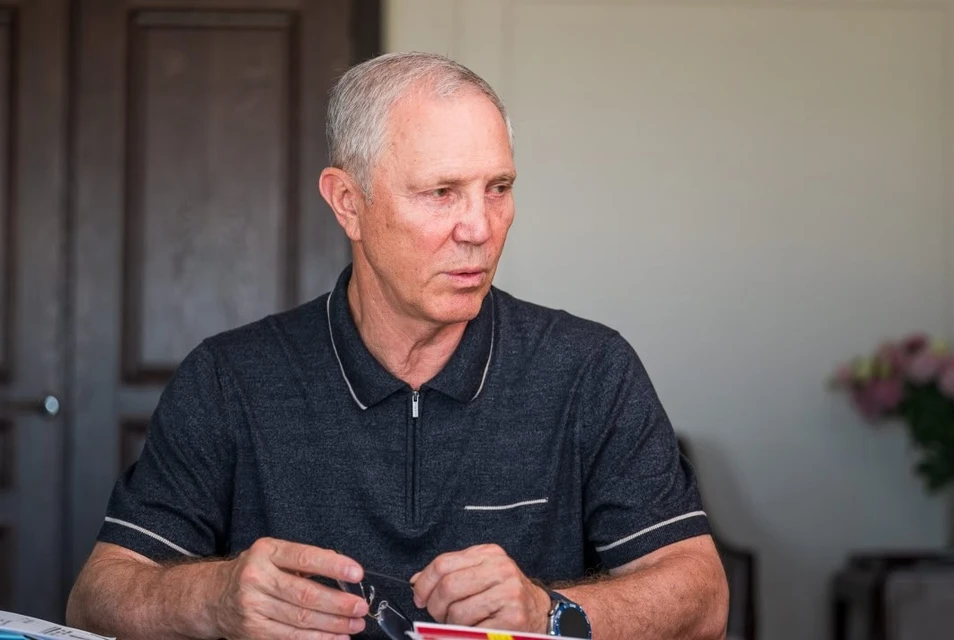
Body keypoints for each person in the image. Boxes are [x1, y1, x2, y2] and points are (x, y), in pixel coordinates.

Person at [65, 52, 728, 640]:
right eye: (441, 193)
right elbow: (95, 599)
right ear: (347, 203)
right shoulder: (228, 377)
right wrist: (214, 599)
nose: (480, 228)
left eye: (498, 189)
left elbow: (703, 600)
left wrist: (548, 613)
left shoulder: (590, 369)